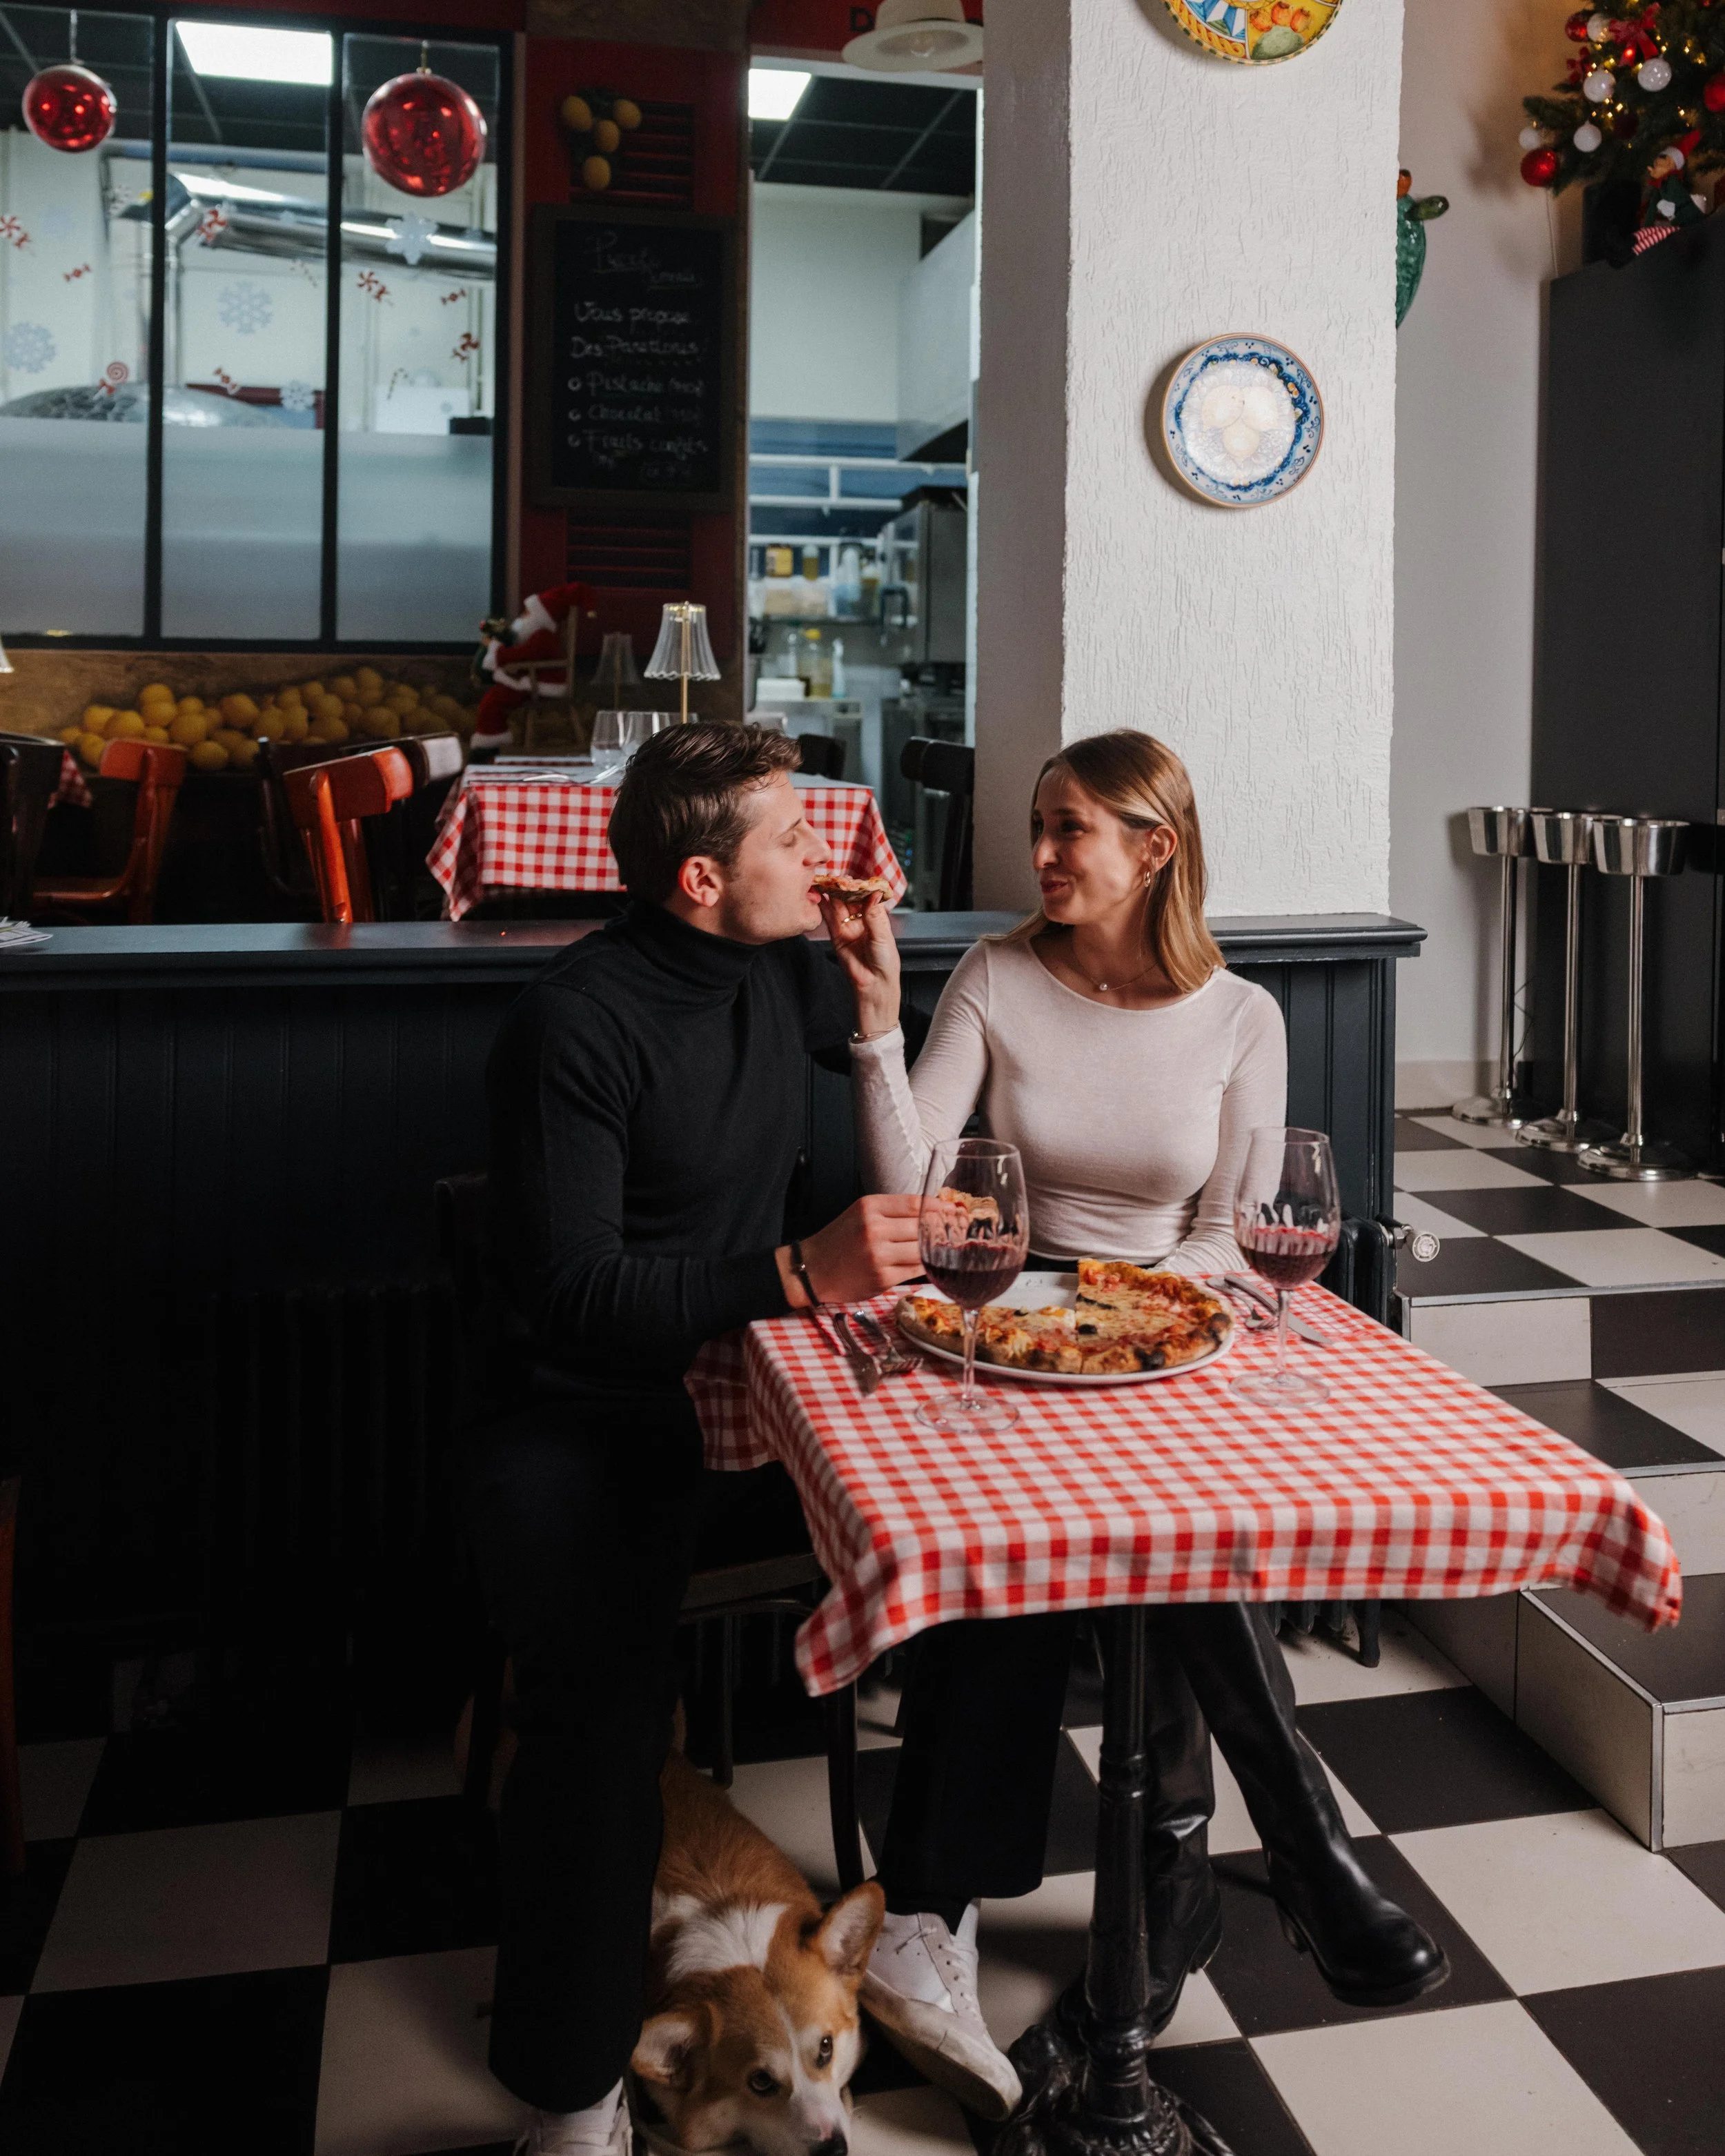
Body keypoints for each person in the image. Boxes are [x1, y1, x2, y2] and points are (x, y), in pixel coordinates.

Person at [824, 729, 1447, 2117]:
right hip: (1011, 1342)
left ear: (1151, 848)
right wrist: (873, 1016)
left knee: (1169, 1539)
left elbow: (1232, 1236)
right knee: (1163, 1551)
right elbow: (921, 1190)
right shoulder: (992, 973)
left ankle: (1197, 1895)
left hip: (1171, 1348)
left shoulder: (1240, 1014)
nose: (1040, 855)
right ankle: (1282, 1856)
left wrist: (1131, 1311)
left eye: (1070, 829)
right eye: (1038, 826)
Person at [466, 724, 924, 2156]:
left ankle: (931, 1942)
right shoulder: (576, 1020)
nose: (828, 852)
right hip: (586, 1409)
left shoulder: (780, 964)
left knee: (976, 1564)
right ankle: (570, 2086)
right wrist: (792, 1272)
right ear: (696, 879)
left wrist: (870, 995)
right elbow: (575, 1288)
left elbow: (889, 1150)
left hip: (763, 1396)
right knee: (597, 1720)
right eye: (794, 839)